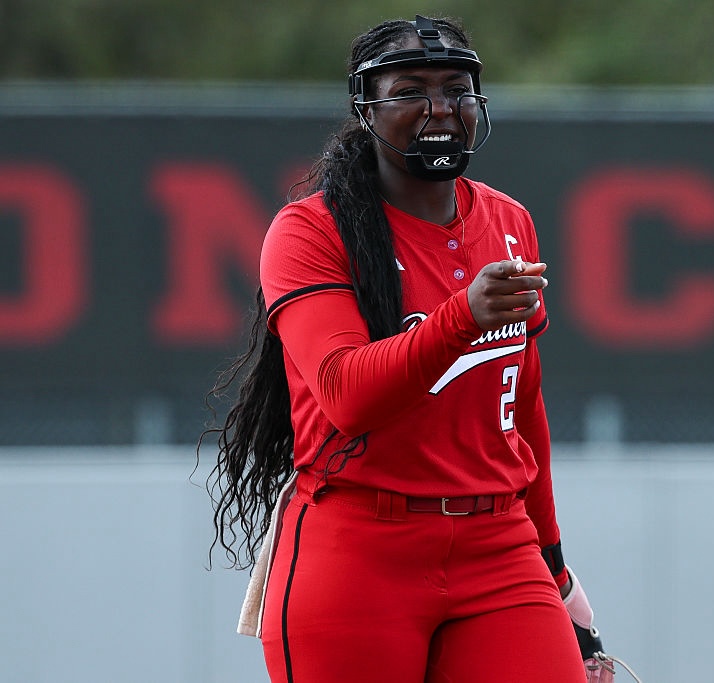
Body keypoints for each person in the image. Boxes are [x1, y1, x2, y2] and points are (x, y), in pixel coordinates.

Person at [205, 14, 608, 682]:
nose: (439, 108)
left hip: (497, 543)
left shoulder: (510, 220)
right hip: (359, 544)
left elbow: (520, 409)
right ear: (365, 108)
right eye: (410, 90)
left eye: (456, 89)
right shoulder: (309, 230)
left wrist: (556, 569)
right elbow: (346, 395)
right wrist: (461, 318)